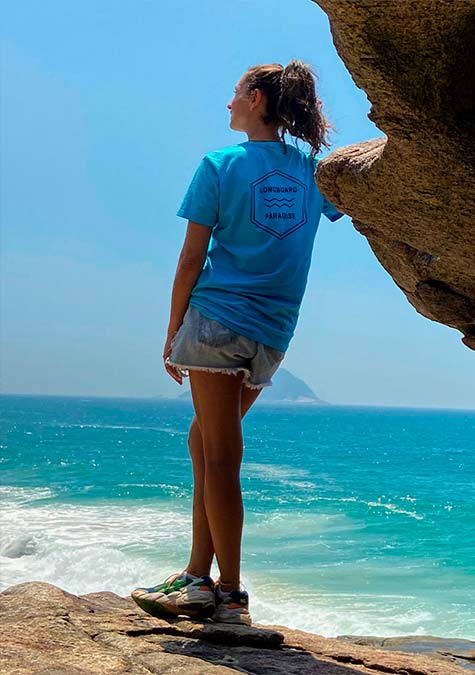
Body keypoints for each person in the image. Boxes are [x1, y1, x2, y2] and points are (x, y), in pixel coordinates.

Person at [131, 61, 342, 625]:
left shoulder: (219, 165)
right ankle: (197, 575)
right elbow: (360, 197)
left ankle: (229, 593)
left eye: (232, 95)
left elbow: (190, 259)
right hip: (273, 334)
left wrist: (173, 330)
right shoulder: (313, 173)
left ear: (253, 98)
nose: (226, 105)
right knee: (204, 442)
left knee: (220, 457)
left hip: (216, 321)